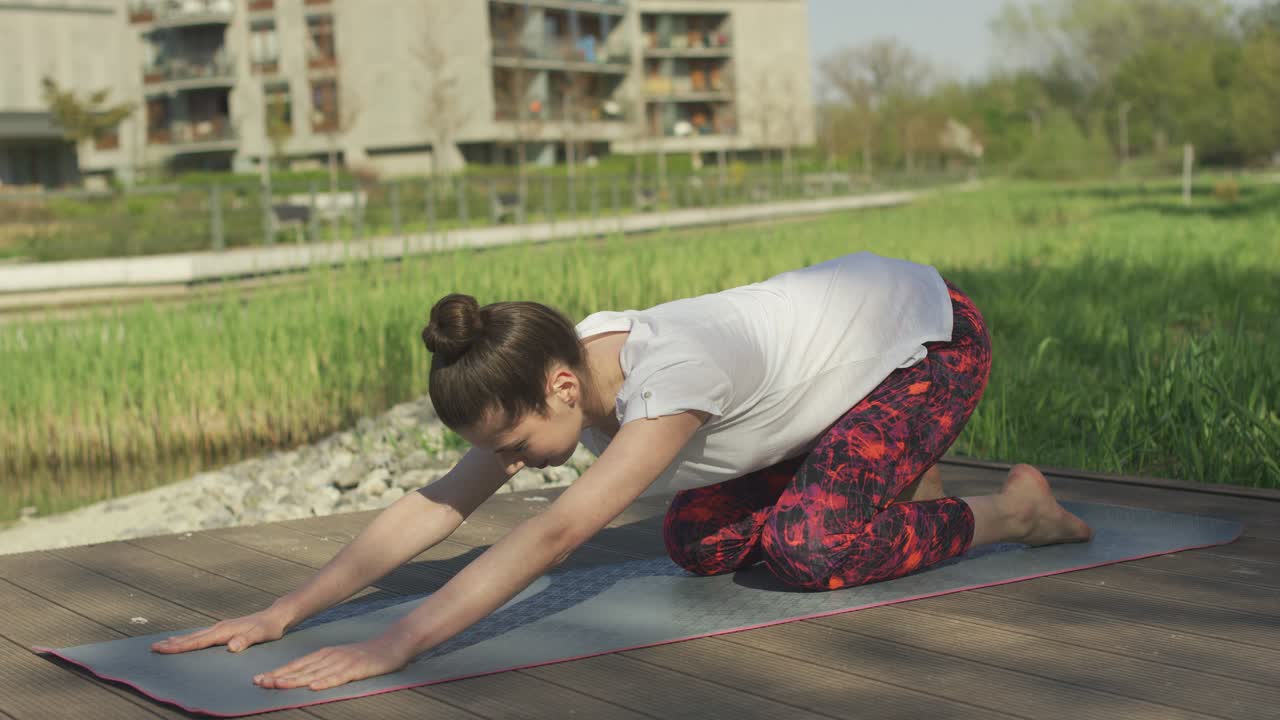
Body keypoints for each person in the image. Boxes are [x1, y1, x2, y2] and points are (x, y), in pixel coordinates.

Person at [152, 251, 1092, 690]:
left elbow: (556, 531)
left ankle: (1015, 510)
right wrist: (284, 611)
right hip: (833, 372)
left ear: (563, 387)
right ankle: (884, 474)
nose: (505, 464)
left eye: (513, 445)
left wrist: (396, 644)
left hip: (926, 340)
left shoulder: (666, 381)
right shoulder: (550, 369)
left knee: (812, 546)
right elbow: (436, 504)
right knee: (699, 540)